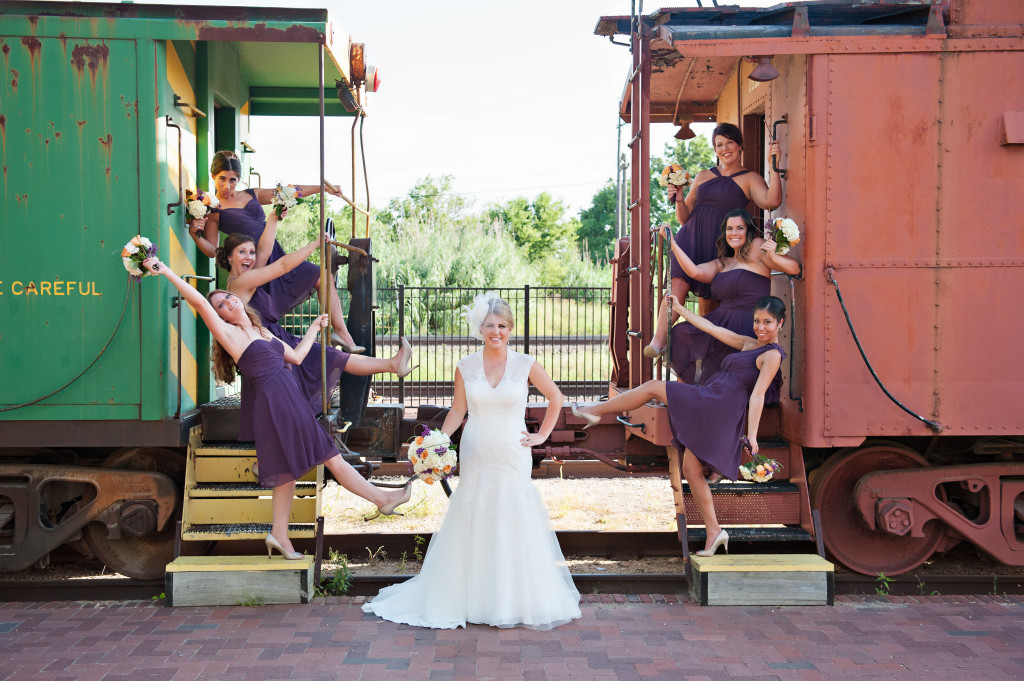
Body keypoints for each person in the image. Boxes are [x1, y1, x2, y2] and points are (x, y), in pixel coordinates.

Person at [141, 257, 412, 560]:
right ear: (220, 317)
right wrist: (165, 270)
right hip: (277, 405)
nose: (227, 303)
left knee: (286, 474)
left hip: (289, 400)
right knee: (330, 457)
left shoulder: (264, 332)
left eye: (228, 297)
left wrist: (312, 328)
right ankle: (381, 498)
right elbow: (199, 303)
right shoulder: (231, 336)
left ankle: (279, 534)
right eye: (220, 305)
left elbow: (296, 357)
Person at [362, 292, 581, 630]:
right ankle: (471, 595)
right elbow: (458, 410)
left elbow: (556, 398)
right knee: (475, 513)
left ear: (510, 329)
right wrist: (438, 440)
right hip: (477, 451)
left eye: (503, 326)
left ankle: (510, 598)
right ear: (480, 328)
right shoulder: (465, 365)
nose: (497, 331)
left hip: (512, 452)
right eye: (490, 325)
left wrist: (541, 436)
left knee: (512, 514)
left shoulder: (525, 364)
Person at [573, 296, 787, 556]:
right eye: (756, 321)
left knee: (653, 388)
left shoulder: (772, 355)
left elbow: (758, 395)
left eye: (767, 322)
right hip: (714, 399)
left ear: (780, 324)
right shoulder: (749, 344)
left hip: (721, 406)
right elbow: (712, 329)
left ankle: (594, 411)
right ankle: (715, 532)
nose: (760, 327)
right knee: (691, 469)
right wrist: (681, 310)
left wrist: (751, 435)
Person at [216, 208, 412, 419]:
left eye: (250, 252)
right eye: (242, 252)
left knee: (332, 357)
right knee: (328, 360)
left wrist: (272, 217)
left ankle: (392, 364)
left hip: (276, 340)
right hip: (269, 348)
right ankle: (390, 364)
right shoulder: (239, 283)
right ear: (229, 258)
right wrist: (315, 244)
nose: (249, 257)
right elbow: (282, 265)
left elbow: (265, 249)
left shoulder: (247, 275)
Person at [187, 149, 364, 353]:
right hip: (255, 262)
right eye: (222, 179)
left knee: (322, 276)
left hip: (274, 251)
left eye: (233, 180)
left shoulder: (252, 194)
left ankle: (341, 333)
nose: (227, 185)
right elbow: (212, 249)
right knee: (265, 319)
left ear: (239, 179)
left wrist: (323, 188)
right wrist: (196, 236)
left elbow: (289, 191)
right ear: (213, 177)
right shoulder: (214, 208)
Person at [645, 123, 782, 357]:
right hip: (691, 238)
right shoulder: (702, 176)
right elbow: (684, 217)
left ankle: (705, 356)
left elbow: (771, 201)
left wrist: (774, 166)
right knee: (676, 286)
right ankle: (658, 342)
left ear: (740, 145)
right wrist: (678, 198)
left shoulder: (750, 178)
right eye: (719, 144)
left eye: (729, 142)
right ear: (714, 149)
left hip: (720, 243)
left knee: (711, 300)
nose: (725, 148)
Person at [656, 208, 800, 397]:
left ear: (748, 230)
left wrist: (772, 257)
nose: (734, 233)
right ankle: (688, 396)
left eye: (739, 227)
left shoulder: (757, 247)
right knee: (681, 333)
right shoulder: (722, 262)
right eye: (730, 228)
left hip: (748, 321)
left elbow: (795, 268)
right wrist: (672, 243)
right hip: (721, 319)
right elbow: (694, 272)